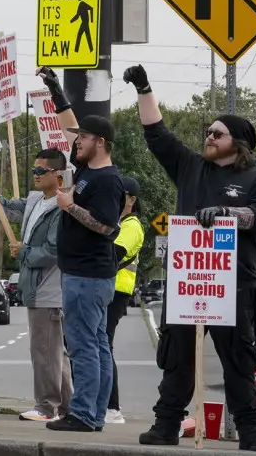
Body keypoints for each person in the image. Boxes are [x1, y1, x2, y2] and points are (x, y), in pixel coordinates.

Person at [123, 65, 256, 452]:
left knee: (240, 361)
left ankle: (249, 430)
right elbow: (157, 135)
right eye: (207, 132)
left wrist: (228, 216)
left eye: (217, 133)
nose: (208, 137)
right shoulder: (191, 168)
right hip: (189, 283)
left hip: (234, 286)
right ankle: (166, 424)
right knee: (177, 358)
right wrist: (145, 87)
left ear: (238, 142)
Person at [35, 67, 124, 434]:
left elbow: (106, 226)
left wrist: (69, 207)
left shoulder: (105, 180)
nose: (76, 142)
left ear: (99, 141)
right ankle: (94, 413)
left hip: (87, 276)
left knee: (84, 348)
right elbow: (69, 122)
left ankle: (85, 414)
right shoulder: (88, 170)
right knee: (97, 346)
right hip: (87, 275)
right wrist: (55, 88)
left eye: (83, 138)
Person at [0, 147, 72, 422]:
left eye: (40, 171)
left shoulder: (62, 206)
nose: (34, 174)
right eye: (34, 169)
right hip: (37, 288)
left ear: (58, 175)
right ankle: (69, 406)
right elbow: (9, 208)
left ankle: (47, 406)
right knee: (55, 353)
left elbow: (54, 251)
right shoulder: (36, 201)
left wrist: (22, 251)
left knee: (45, 351)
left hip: (49, 288)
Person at [105, 176, 144, 425]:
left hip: (117, 291)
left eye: (122, 196)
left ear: (132, 199)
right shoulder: (115, 222)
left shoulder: (131, 225)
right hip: (105, 288)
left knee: (103, 345)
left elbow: (113, 254)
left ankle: (112, 407)